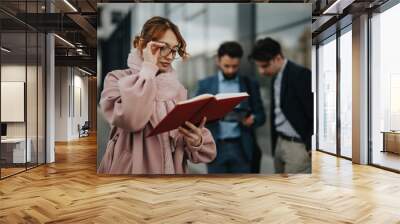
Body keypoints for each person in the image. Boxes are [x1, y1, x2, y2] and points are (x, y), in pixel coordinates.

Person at [98, 16, 216, 174]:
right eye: (162, 47)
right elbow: (133, 120)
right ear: (142, 45)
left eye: (174, 50)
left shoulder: (177, 89)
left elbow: (192, 146)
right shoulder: (117, 79)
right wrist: (148, 70)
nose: (169, 56)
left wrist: (195, 140)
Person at [196, 41, 266, 173]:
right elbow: (195, 115)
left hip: (242, 148)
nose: (230, 70)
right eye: (226, 66)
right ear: (218, 61)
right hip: (215, 148)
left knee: (242, 191)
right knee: (217, 191)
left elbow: (261, 115)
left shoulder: (250, 84)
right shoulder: (205, 85)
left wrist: (253, 119)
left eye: (235, 66)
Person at [249, 37, 313, 174]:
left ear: (278, 58)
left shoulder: (301, 75)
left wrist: (311, 146)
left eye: (264, 66)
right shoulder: (275, 78)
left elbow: (314, 113)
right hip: (279, 143)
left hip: (297, 146)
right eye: (259, 66)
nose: (261, 71)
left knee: (292, 192)